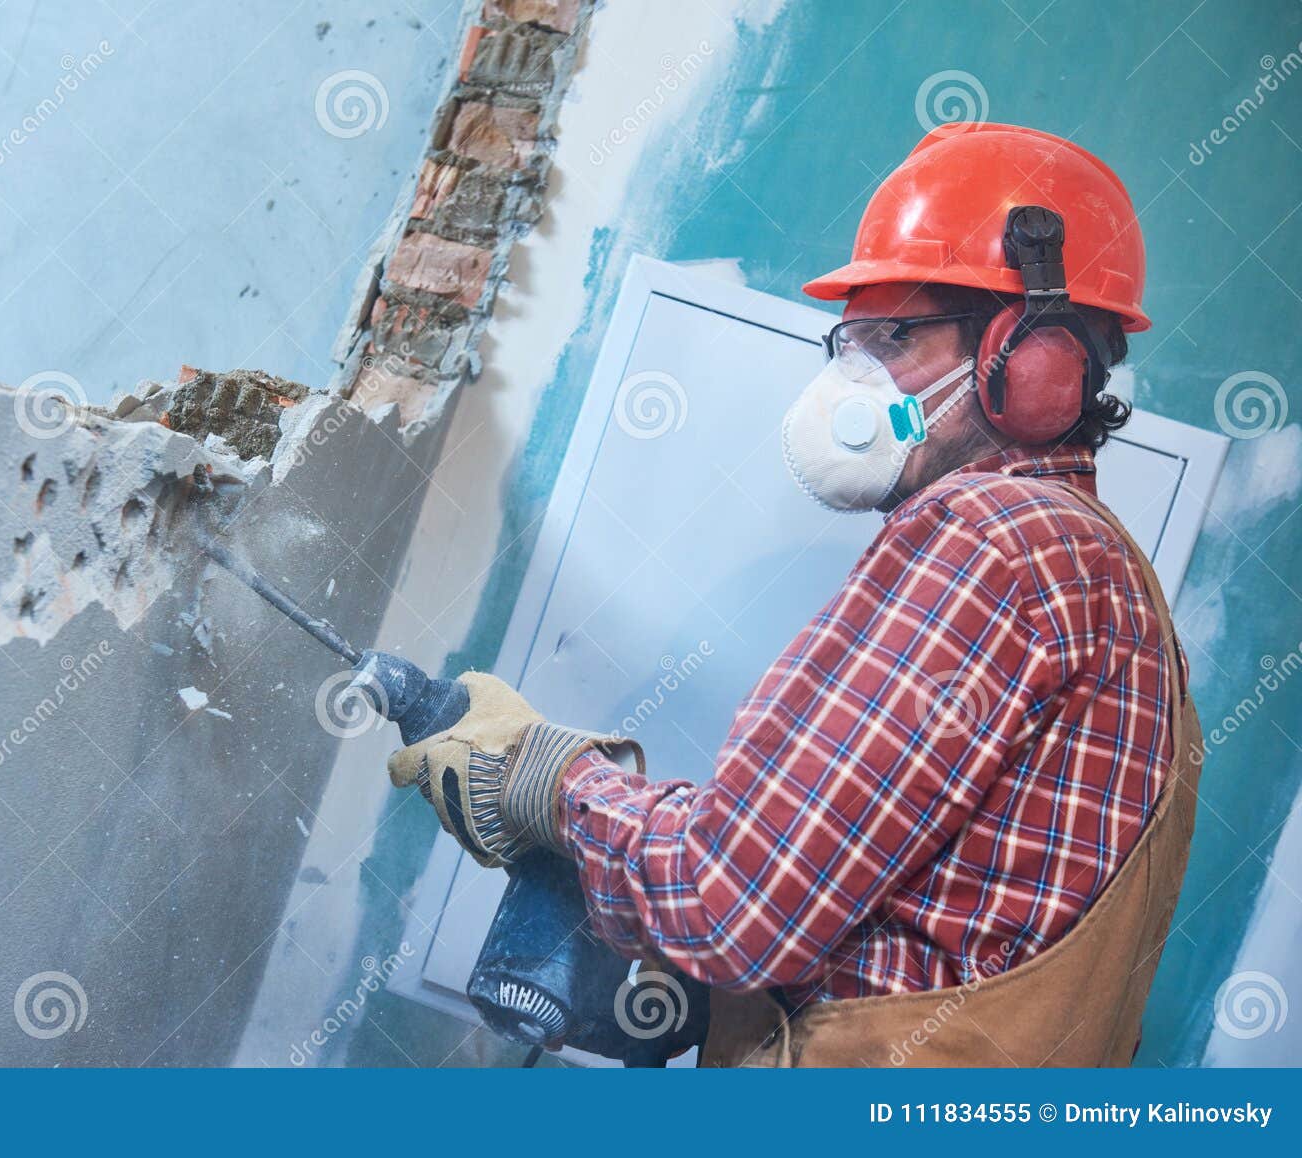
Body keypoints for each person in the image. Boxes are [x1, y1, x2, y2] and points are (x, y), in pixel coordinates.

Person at [387, 123, 1203, 1067]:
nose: (853, 379)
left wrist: (545, 778)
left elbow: (731, 903)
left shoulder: (988, 541)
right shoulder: (1111, 585)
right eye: (849, 342)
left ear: (1035, 361)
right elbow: (919, 923)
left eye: (894, 337)